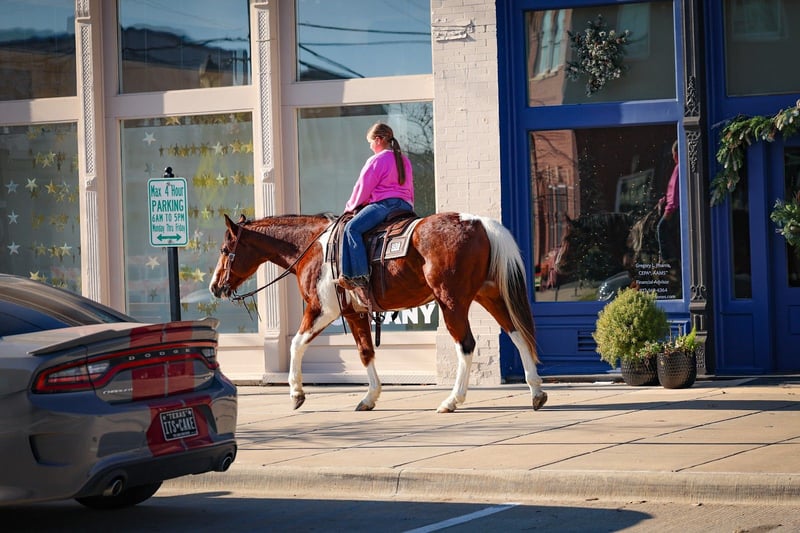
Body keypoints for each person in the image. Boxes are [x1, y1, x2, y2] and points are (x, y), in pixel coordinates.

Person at [337, 122, 414, 290]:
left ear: (378, 140)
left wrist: (350, 207)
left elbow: (363, 187)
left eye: (370, 142)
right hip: (405, 206)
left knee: (351, 229)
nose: (370, 146)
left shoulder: (377, 160)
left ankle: (358, 275)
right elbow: (410, 188)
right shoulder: (404, 160)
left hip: (385, 205)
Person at [657, 140, 679, 264]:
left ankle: (667, 260)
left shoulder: (678, 168)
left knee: (661, 228)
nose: (673, 157)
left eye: (673, 154)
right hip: (672, 207)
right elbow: (672, 191)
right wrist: (664, 200)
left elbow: (675, 195)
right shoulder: (678, 168)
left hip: (673, 210)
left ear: (676, 153)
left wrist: (668, 211)